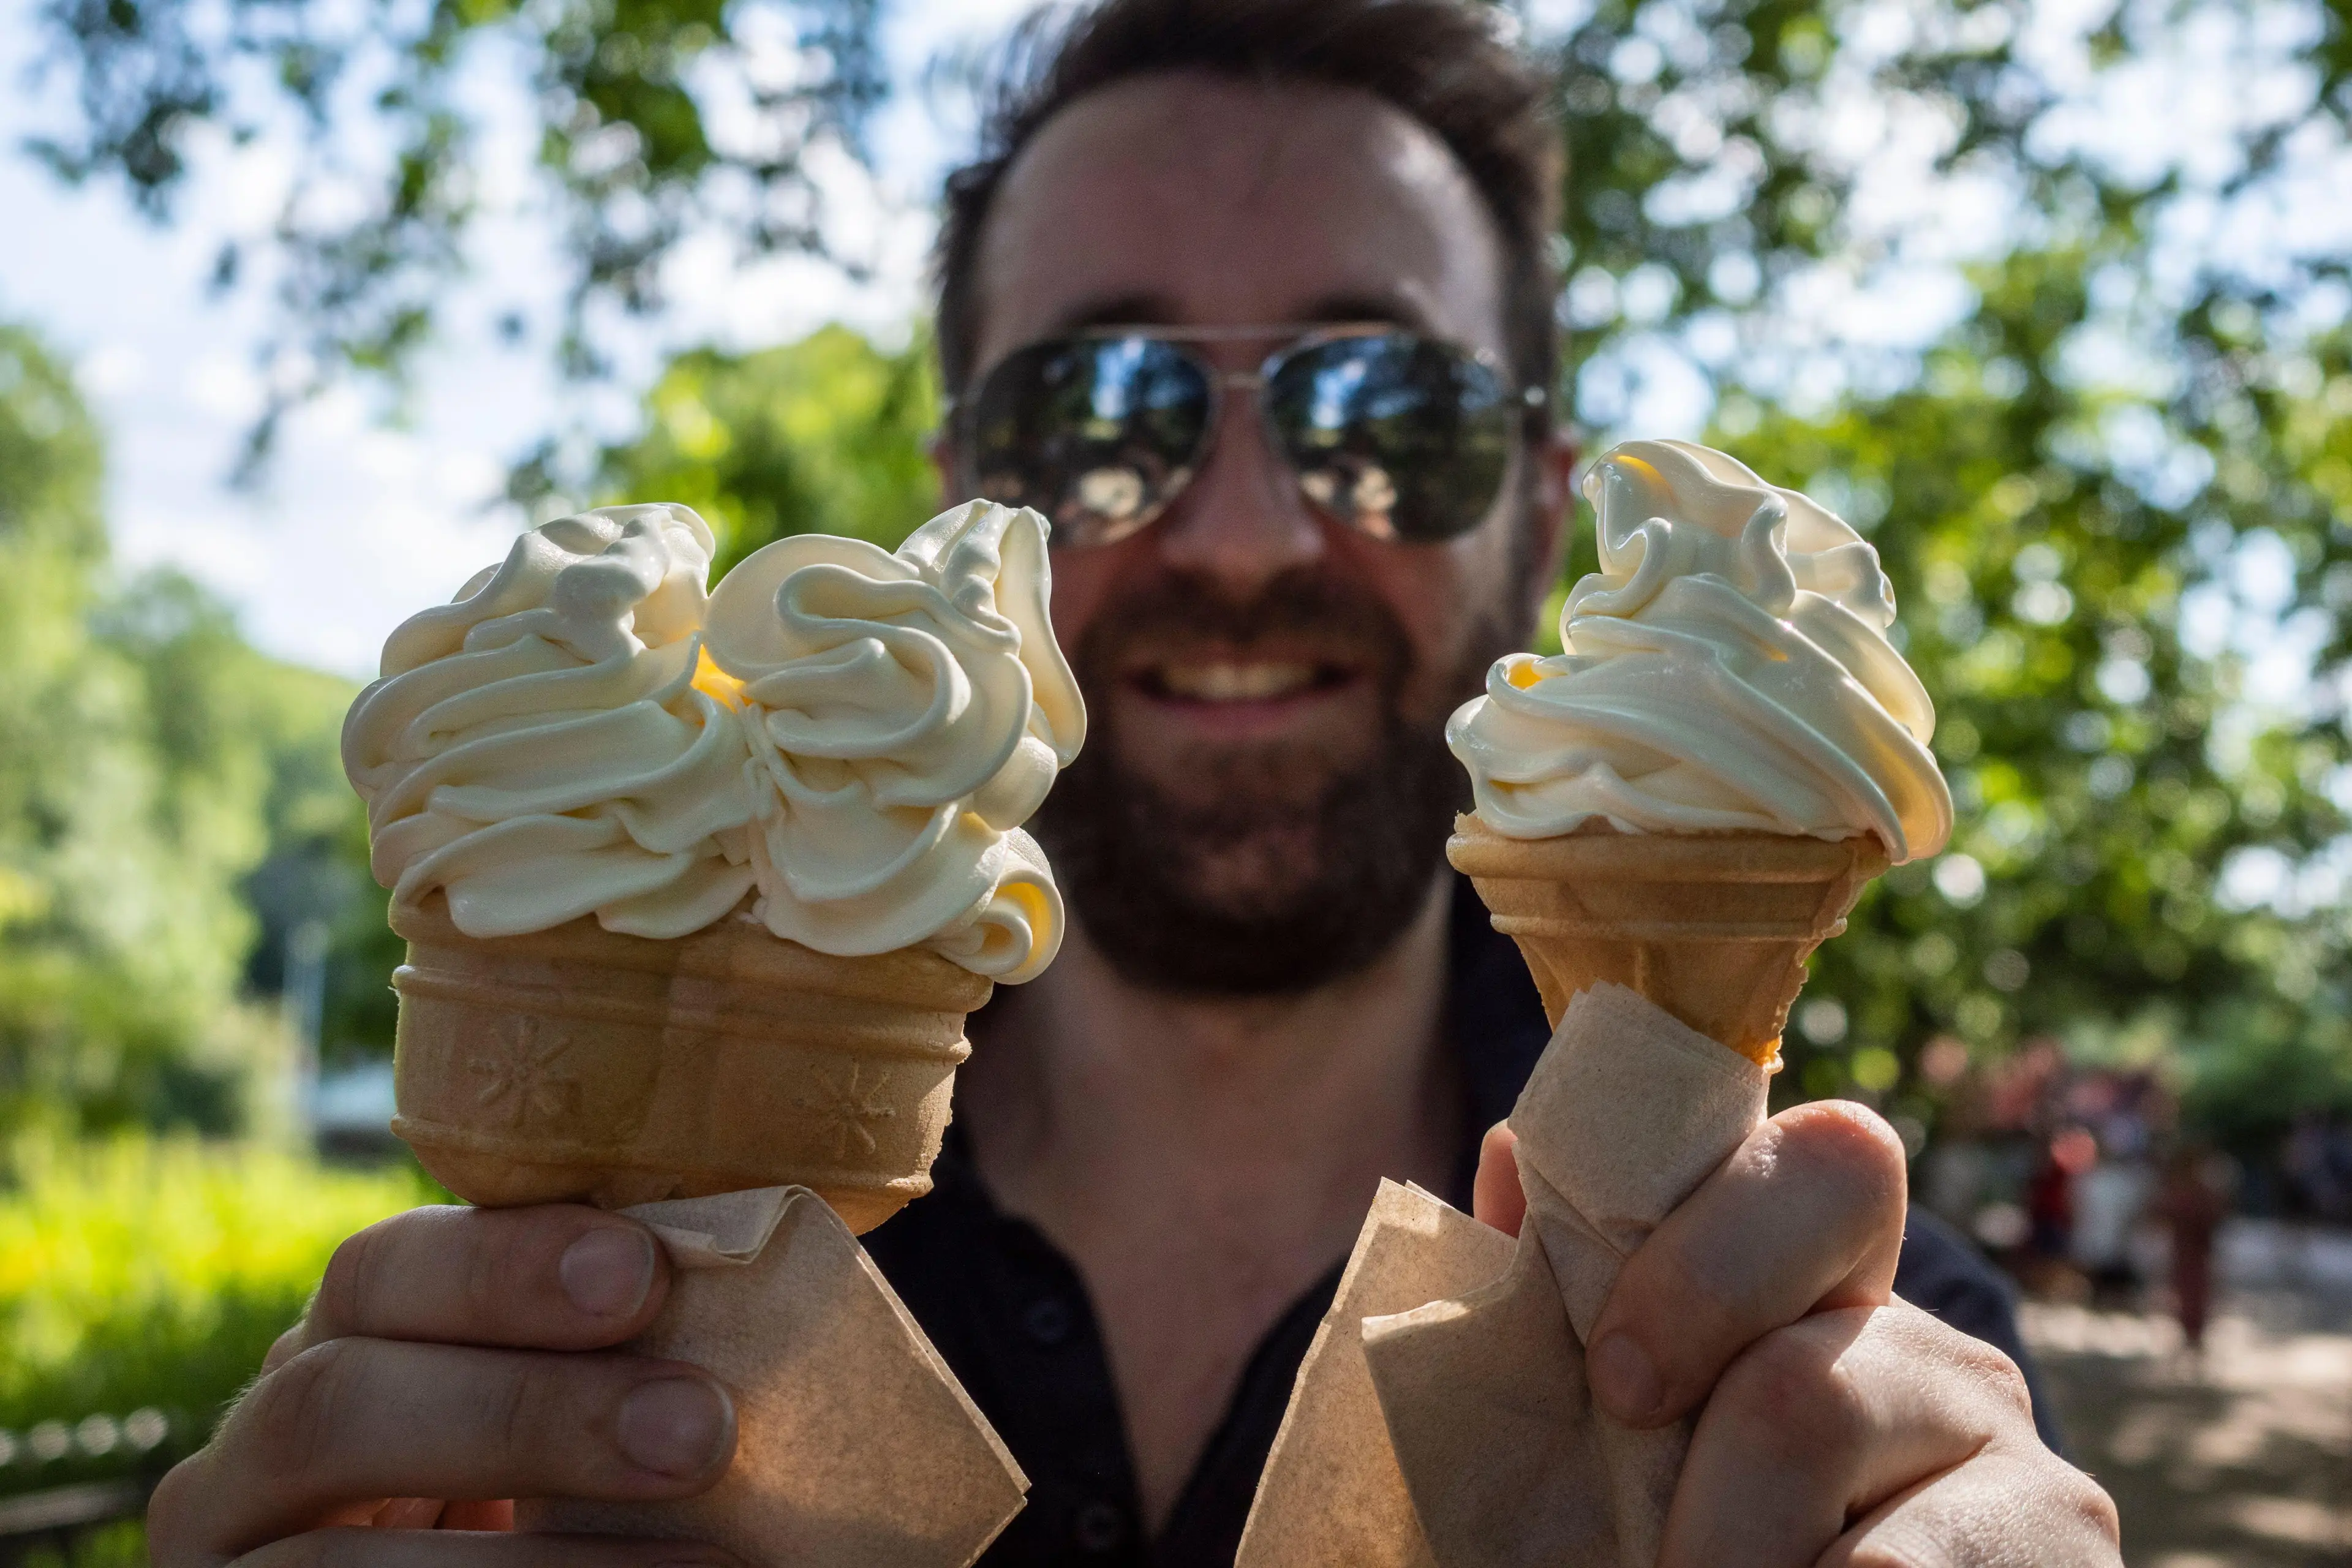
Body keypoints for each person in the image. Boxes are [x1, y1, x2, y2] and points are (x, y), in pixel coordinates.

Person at [146, 1, 2122, 1564]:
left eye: (1387, 413)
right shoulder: (570, 1319)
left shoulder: (1813, 1341)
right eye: (1099, 412)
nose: (1243, 533)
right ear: (966, 505)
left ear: (1538, 509)